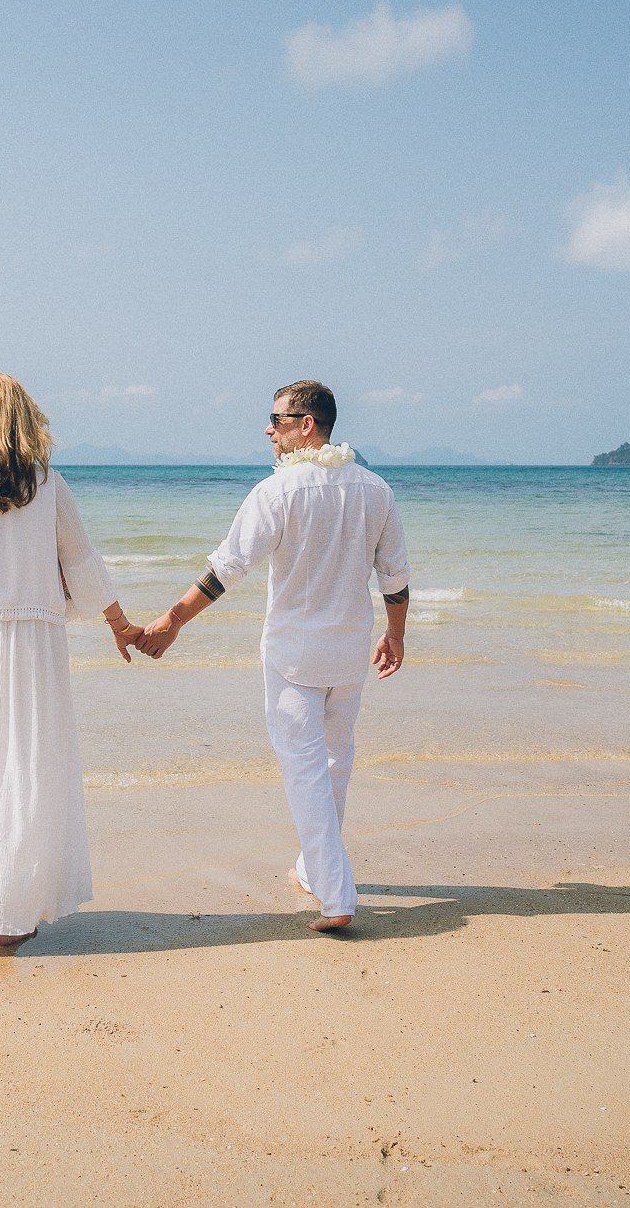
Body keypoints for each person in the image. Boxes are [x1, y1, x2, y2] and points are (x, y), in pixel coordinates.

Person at [137, 380, 409, 933]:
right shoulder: (375, 489)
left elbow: (227, 568)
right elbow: (395, 574)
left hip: (294, 653)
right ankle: (315, 870)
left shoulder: (278, 492)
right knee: (335, 762)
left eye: (277, 419)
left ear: (306, 424)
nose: (268, 429)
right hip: (350, 649)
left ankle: (337, 894)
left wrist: (172, 620)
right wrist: (396, 634)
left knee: (305, 769)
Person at [0, 373, 144, 954]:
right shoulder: (48, 484)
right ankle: (10, 909)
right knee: (29, 767)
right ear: (25, 419)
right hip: (35, 647)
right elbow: (83, 562)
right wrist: (122, 625)